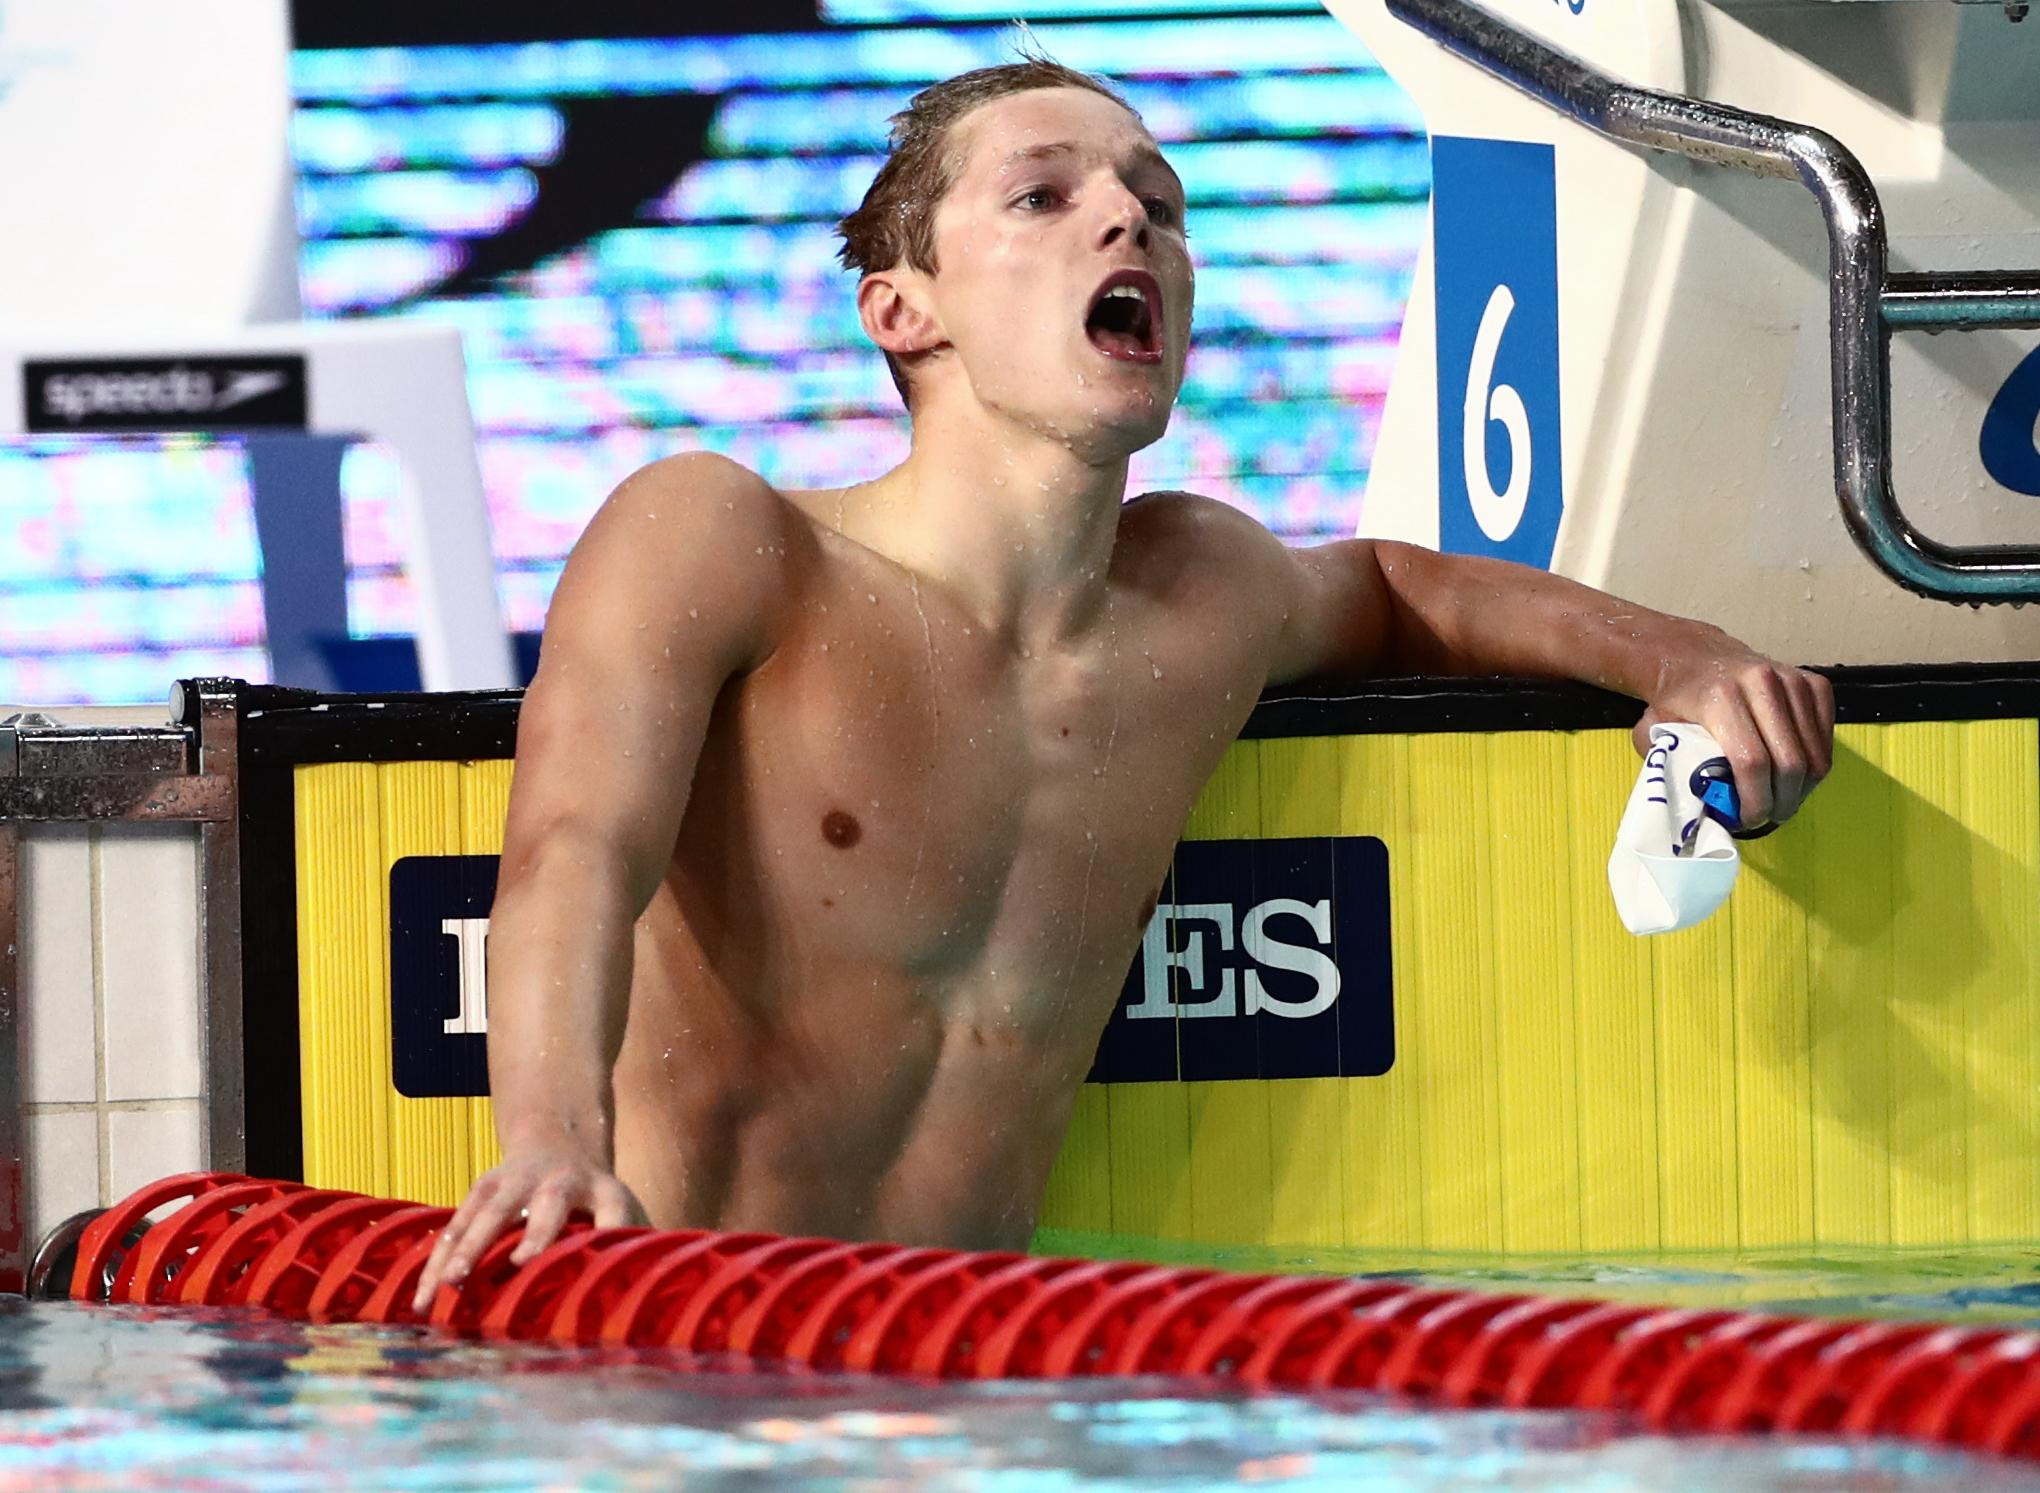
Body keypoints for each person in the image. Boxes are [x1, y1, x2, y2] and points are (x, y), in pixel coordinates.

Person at [413, 59, 1834, 1311]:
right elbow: (571, 851)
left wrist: (1688, 662)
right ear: (904, 311)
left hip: (986, 1380)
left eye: (1158, 200)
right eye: (1043, 197)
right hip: (677, 1355)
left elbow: (1414, 588)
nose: (1127, 217)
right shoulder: (726, 537)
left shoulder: (1195, 594)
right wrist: (549, 1136)